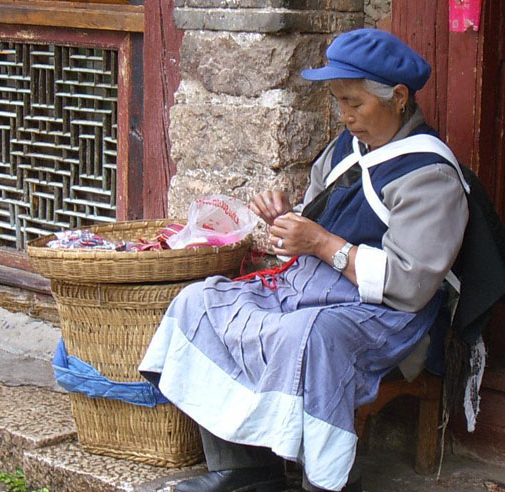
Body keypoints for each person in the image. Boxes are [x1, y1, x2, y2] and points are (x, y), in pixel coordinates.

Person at [139, 28, 469, 492]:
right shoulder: (344, 150)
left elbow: (410, 284)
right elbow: (312, 232)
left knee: (309, 335)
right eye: (338, 101)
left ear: (398, 97)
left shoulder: (429, 175)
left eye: (354, 102)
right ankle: (243, 469)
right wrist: (287, 222)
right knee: (201, 303)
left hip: (384, 315)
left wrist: (320, 243)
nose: (345, 115)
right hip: (310, 287)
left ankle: (328, 480)